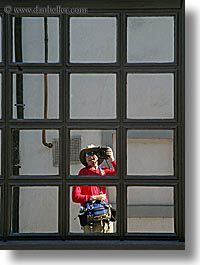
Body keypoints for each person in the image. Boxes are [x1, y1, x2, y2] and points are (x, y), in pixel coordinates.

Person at [72, 144, 116, 233]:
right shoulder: (82, 173)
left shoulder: (103, 171)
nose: (90, 156)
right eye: (87, 154)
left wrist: (112, 159)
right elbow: (75, 197)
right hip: (91, 219)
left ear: (98, 156)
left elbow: (121, 173)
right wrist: (92, 197)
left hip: (105, 217)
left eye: (93, 153)